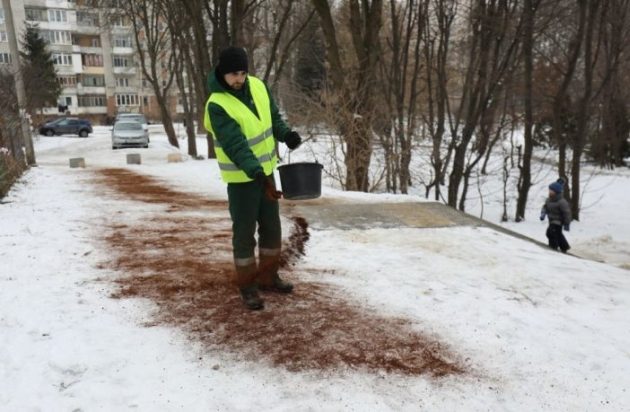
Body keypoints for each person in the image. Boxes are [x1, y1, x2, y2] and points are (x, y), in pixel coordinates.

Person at [204, 46, 302, 310]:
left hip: (265, 172)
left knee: (271, 227)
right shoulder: (217, 105)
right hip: (242, 180)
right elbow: (235, 144)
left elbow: (272, 119)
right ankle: (247, 285)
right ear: (223, 74)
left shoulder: (258, 86)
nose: (239, 78)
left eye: (243, 72)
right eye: (233, 74)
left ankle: (268, 277)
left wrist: (286, 135)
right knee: (245, 233)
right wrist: (254, 170)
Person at [540, 178, 572, 253]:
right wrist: (543, 214)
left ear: (556, 192)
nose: (550, 192)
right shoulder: (549, 200)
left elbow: (567, 213)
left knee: (551, 232)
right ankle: (564, 246)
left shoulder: (562, 202)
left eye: (552, 191)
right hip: (551, 220)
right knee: (557, 234)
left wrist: (567, 223)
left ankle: (553, 246)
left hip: (558, 221)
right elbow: (545, 207)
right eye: (549, 190)